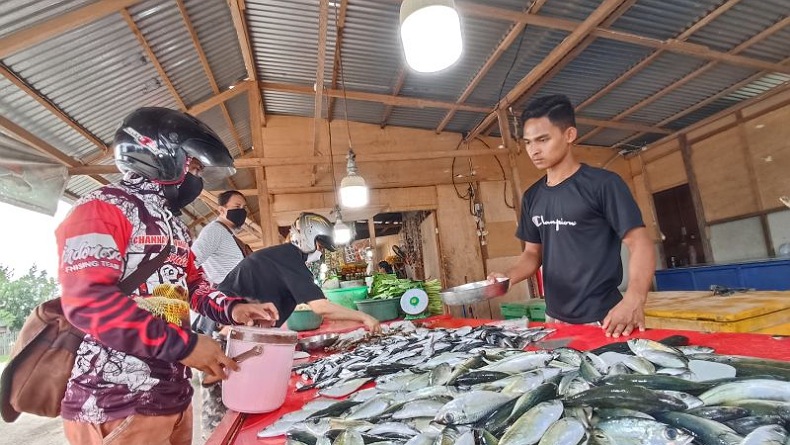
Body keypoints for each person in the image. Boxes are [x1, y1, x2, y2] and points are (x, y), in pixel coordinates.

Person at [55, 107, 279, 445]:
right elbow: (89, 302)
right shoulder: (101, 208)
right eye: (194, 166)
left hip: (171, 396)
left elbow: (193, 286)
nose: (197, 178)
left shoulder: (172, 224)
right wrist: (186, 346)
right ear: (161, 155)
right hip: (115, 402)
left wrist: (233, 308)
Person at [487, 94, 655, 338]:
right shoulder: (532, 197)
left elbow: (640, 244)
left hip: (605, 319)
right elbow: (532, 254)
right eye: (528, 142)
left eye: (543, 139)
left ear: (569, 135)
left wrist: (633, 300)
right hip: (554, 317)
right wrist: (508, 277)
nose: (534, 150)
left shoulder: (603, 184)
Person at [219, 212, 382, 334]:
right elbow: (321, 307)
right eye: (320, 246)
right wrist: (364, 317)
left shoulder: (283, 255)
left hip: (234, 320)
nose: (320, 252)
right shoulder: (289, 258)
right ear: (309, 237)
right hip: (224, 320)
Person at [189, 189, 252, 437]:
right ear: (221, 209)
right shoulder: (214, 231)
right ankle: (213, 435)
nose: (241, 211)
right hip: (218, 315)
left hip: (232, 312)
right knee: (216, 379)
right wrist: (212, 293)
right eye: (236, 206)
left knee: (229, 377)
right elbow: (190, 263)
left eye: (244, 207)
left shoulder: (230, 236)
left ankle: (231, 433)